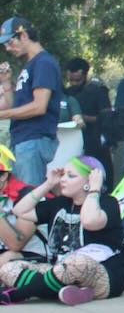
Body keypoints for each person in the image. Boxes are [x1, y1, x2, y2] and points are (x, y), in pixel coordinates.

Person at [0, 156, 124, 304]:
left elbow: (89, 222)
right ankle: (72, 292)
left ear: (89, 181)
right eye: (63, 175)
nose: (63, 179)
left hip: (104, 273)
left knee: (76, 263)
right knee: (8, 269)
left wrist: (95, 190)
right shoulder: (60, 203)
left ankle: (17, 295)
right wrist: (48, 184)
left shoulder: (107, 202)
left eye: (71, 176)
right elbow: (20, 211)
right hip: (59, 271)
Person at [0, 17, 63, 188]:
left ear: (24, 35)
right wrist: (6, 83)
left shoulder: (44, 63)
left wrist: (2, 115)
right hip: (22, 139)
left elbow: (39, 106)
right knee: (19, 199)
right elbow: (16, 107)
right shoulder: (30, 64)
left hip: (33, 139)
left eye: (10, 41)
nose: (7, 48)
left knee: (29, 200)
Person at [63, 57, 112, 181]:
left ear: (84, 75)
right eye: (71, 80)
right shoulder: (66, 93)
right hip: (70, 141)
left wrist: (81, 117)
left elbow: (107, 118)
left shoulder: (98, 91)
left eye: (77, 80)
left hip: (94, 141)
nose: (73, 83)